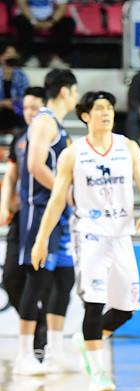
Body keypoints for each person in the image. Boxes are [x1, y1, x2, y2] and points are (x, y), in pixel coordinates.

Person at [31, 90, 140, 391]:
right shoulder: (73, 154)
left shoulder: (128, 147)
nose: (106, 112)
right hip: (89, 235)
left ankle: (89, 338)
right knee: (94, 302)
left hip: (122, 234)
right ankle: (98, 372)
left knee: (126, 308)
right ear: (86, 116)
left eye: (110, 107)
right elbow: (57, 200)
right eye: (100, 108)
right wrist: (41, 239)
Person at [13, 69, 78, 376]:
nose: (76, 97)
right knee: (36, 280)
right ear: (65, 91)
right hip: (40, 211)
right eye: (75, 91)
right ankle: (23, 355)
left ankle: (55, 352)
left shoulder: (57, 124)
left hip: (59, 213)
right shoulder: (44, 121)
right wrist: (66, 193)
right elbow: (35, 166)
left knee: (64, 279)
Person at [0, 86, 47, 356]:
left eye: (35, 108)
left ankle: (38, 343)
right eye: (26, 108)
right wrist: (4, 204)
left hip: (45, 217)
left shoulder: (54, 138)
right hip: (20, 218)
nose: (30, 113)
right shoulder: (19, 138)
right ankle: (40, 326)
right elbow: (10, 176)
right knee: (10, 279)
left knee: (38, 280)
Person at [14, 0, 75, 68]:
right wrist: (33, 21)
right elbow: (22, 5)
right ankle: (28, 58)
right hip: (29, 17)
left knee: (67, 23)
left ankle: (57, 58)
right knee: (21, 22)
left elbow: (62, 8)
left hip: (50, 18)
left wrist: (51, 22)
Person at [0, 45, 29, 131]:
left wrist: (12, 103)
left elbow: (24, 98)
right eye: (9, 53)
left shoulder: (21, 76)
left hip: (15, 111)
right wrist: (4, 103)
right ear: (1, 57)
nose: (12, 56)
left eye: (14, 53)